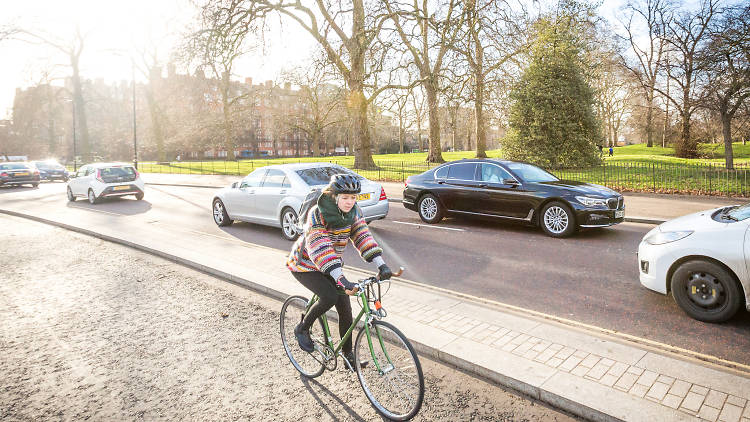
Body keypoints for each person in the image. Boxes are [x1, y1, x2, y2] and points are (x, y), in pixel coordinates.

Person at [287, 173, 393, 369]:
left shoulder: (354, 213)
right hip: (305, 265)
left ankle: (347, 355)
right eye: (345, 197)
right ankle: (302, 328)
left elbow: (362, 236)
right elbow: (321, 246)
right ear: (334, 196)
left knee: (346, 309)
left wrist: (381, 264)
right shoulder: (317, 213)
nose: (350, 202)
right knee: (329, 297)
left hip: (331, 265)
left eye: (353, 197)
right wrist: (341, 279)